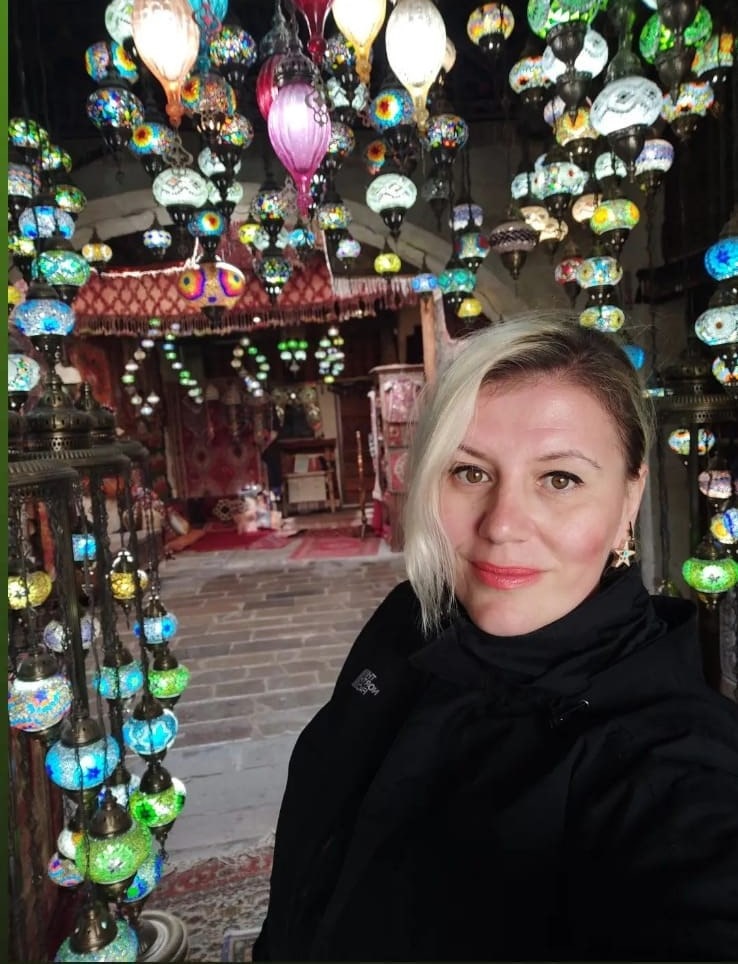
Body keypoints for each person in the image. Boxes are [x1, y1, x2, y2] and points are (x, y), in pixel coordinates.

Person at [253, 314, 738, 962]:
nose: (502, 525)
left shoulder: (672, 762)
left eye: (559, 479)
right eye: (471, 472)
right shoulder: (411, 619)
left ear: (630, 497)